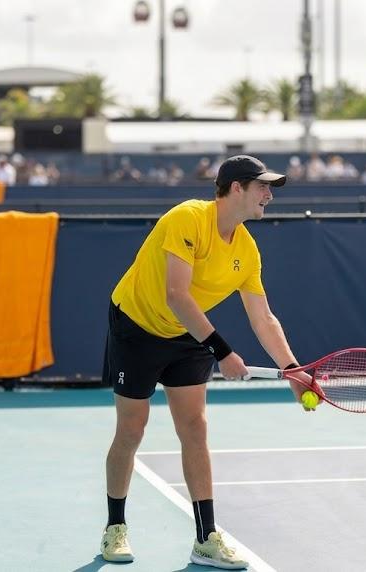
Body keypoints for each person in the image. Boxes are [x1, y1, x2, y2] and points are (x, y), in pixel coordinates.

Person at [99, 155, 311, 569]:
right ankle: (115, 527)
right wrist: (223, 352)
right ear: (236, 188)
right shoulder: (188, 219)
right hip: (137, 326)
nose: (269, 195)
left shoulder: (247, 249)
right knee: (131, 429)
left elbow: (263, 317)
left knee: (194, 429)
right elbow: (176, 295)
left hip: (190, 333)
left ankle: (206, 538)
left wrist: (292, 369)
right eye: (262, 187)